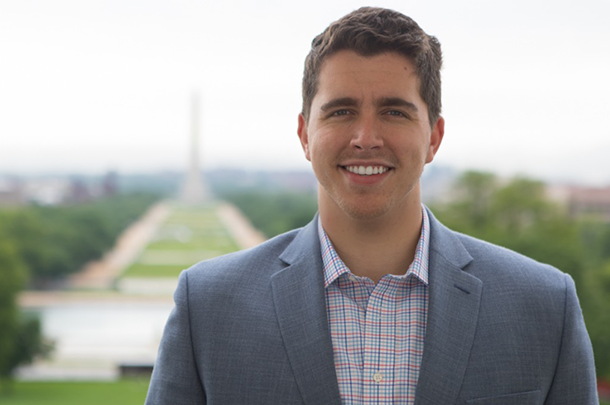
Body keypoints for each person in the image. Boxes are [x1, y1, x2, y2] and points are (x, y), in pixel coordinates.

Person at [145, 7, 598, 405]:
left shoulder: (542, 307)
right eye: (340, 111)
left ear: (434, 137)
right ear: (305, 135)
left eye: (394, 112)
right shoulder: (207, 307)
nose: (365, 138)